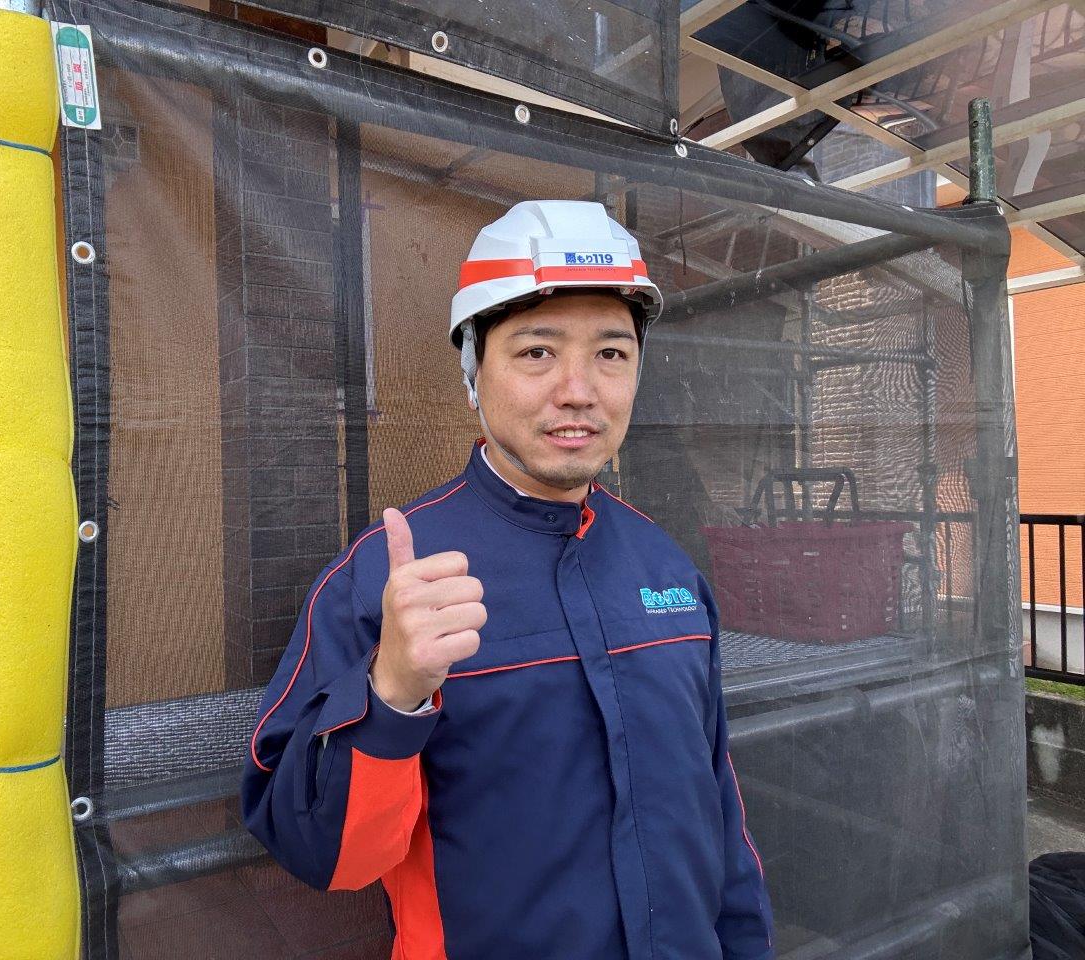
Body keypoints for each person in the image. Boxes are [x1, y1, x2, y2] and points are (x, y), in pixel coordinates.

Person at [242, 200, 775, 959]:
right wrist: (392, 692)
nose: (578, 390)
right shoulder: (386, 579)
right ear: (473, 370)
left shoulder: (667, 570)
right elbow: (321, 855)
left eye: (611, 353)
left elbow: (719, 815)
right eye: (536, 352)